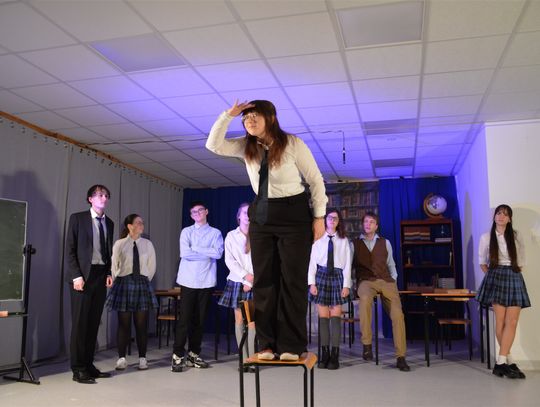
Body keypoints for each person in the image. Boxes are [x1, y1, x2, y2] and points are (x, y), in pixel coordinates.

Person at [206, 100, 327, 361]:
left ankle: (292, 345)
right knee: (264, 281)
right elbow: (213, 145)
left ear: (270, 117)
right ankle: (267, 345)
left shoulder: (292, 143)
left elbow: (315, 180)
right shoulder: (246, 145)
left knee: (292, 280)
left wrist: (319, 216)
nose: (249, 120)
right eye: (245, 117)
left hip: (293, 212)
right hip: (261, 212)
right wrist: (228, 115)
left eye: (254, 115)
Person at [66, 184, 114, 384]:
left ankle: (88, 365)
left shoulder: (109, 222)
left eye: (106, 195)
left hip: (100, 276)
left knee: (93, 323)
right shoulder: (78, 219)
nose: (104, 198)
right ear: (90, 199)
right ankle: (78, 369)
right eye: (100, 195)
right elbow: (70, 250)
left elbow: (108, 252)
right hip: (82, 278)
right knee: (80, 324)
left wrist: (109, 272)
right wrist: (76, 276)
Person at [477, 204, 530, 379]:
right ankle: (507, 361)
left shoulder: (516, 236)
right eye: (499, 213)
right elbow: (482, 263)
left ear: (509, 219)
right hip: (496, 276)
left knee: (512, 321)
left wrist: (513, 274)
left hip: (513, 275)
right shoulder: (486, 237)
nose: (501, 216)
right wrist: (493, 277)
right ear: (494, 216)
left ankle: (501, 363)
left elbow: (521, 260)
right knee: (500, 322)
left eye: (505, 214)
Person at [352, 212, 410, 372]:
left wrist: (394, 281)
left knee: (398, 315)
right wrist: (350, 284)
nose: (368, 224)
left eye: (371, 222)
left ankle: (401, 356)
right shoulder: (354, 244)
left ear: (376, 226)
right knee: (365, 300)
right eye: (365, 221)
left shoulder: (385, 242)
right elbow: (349, 266)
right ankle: (367, 344)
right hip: (365, 281)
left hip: (386, 281)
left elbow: (391, 264)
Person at [171, 201, 224, 372]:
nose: (197, 213)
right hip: (188, 281)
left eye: (200, 210)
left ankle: (193, 354)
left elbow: (218, 253)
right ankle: (178, 355)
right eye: (194, 212)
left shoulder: (215, 233)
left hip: (206, 281)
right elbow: (185, 253)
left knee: (199, 321)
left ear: (206, 211)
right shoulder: (186, 232)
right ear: (191, 215)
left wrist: (196, 249)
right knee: (184, 320)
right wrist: (206, 252)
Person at [106, 214, 158, 372]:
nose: (142, 225)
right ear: (130, 226)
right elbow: (114, 265)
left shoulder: (147, 244)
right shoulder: (120, 243)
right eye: (138, 222)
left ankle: (142, 358)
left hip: (141, 283)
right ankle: (122, 358)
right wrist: (119, 280)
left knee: (141, 324)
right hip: (124, 283)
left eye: (142, 222)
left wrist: (143, 280)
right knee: (124, 324)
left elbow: (151, 266)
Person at [308, 209, 351, 369]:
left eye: (335, 218)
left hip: (338, 278)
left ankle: (335, 355)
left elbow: (347, 264)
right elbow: (312, 263)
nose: (332, 220)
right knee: (323, 317)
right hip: (321, 277)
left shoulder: (344, 240)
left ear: (339, 222)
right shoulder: (318, 240)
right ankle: (324, 353)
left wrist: (346, 285)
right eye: (330, 218)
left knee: (335, 317)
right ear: (325, 220)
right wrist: (312, 283)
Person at [218, 203, 256, 371]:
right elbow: (229, 260)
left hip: (254, 281)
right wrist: (244, 277)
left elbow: (261, 258)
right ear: (239, 216)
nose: (247, 215)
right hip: (237, 280)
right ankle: (243, 358)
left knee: (252, 321)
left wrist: (251, 281)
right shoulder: (231, 236)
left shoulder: (258, 234)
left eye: (250, 213)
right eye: (244, 213)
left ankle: (252, 359)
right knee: (239, 319)